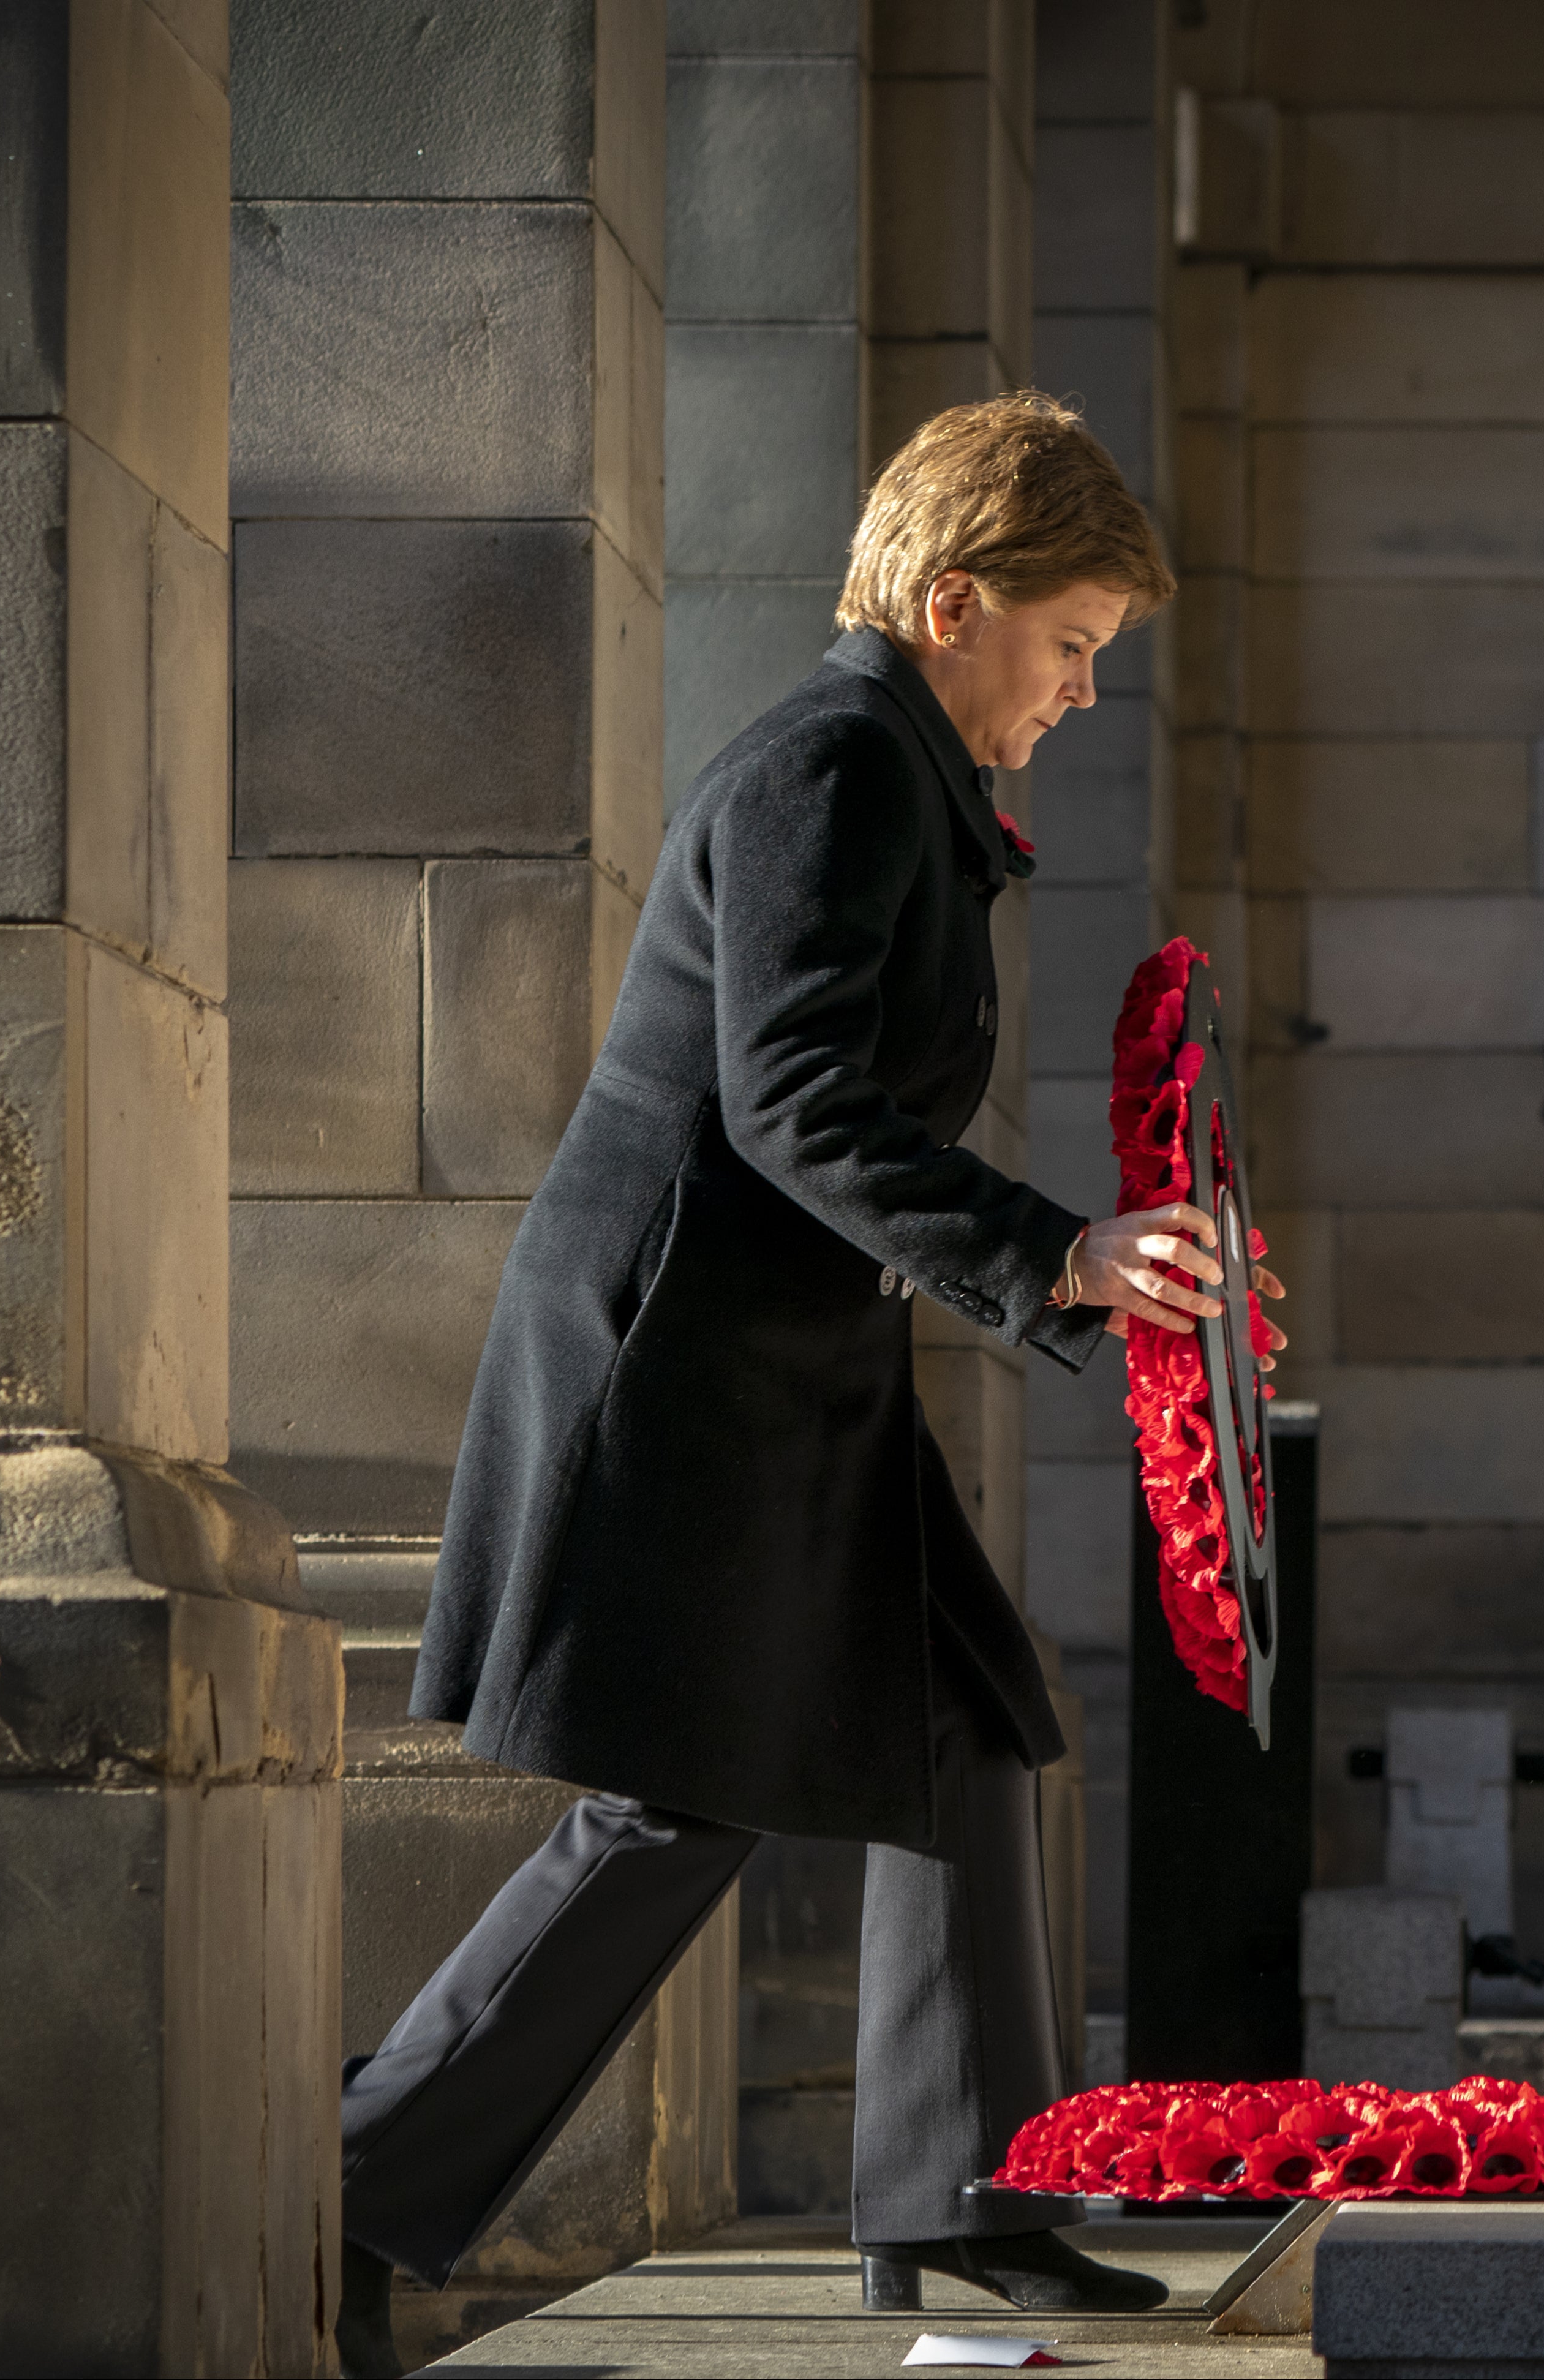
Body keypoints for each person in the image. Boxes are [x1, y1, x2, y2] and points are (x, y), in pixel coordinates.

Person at [329, 393, 1282, 2377]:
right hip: (682, 1366)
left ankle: (973, 2201)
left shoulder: (896, 779)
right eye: (1072, 644)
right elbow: (791, 1107)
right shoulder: (838, 768)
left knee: (971, 1724)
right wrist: (1064, 1257)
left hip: (793, 1372)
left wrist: (1106, 1272)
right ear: (955, 603)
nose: (1085, 692)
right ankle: (358, 2175)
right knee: (681, 1801)